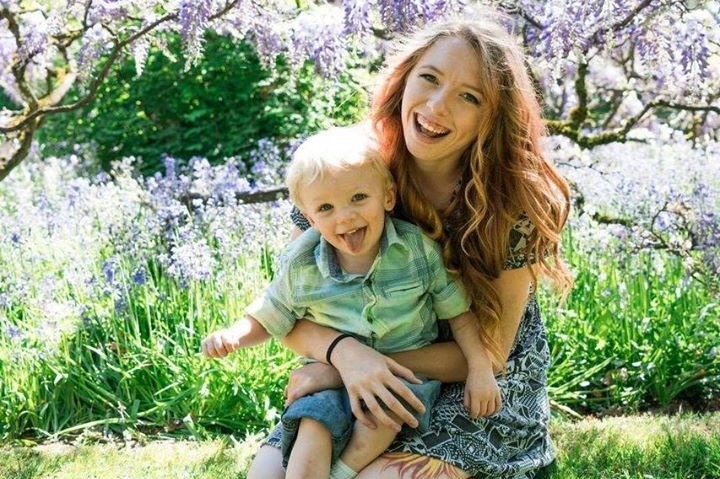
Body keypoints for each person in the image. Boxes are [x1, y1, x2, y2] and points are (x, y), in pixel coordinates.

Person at [247, 8, 573, 479]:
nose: (437, 106)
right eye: (429, 78)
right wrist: (346, 357)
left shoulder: (512, 201)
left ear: (491, 118)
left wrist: (347, 366)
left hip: (476, 383)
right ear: (405, 78)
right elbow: (290, 308)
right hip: (361, 375)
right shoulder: (348, 169)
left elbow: (490, 353)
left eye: (468, 97)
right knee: (268, 475)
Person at [202, 126, 501, 479]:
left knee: (383, 417)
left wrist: (480, 369)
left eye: (358, 198)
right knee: (313, 424)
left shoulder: (417, 252)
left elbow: (459, 314)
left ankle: (341, 474)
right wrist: (234, 335)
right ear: (310, 219)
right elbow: (272, 313)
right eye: (326, 208)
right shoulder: (302, 265)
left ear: (388, 197)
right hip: (330, 377)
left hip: (400, 379)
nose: (344, 217)